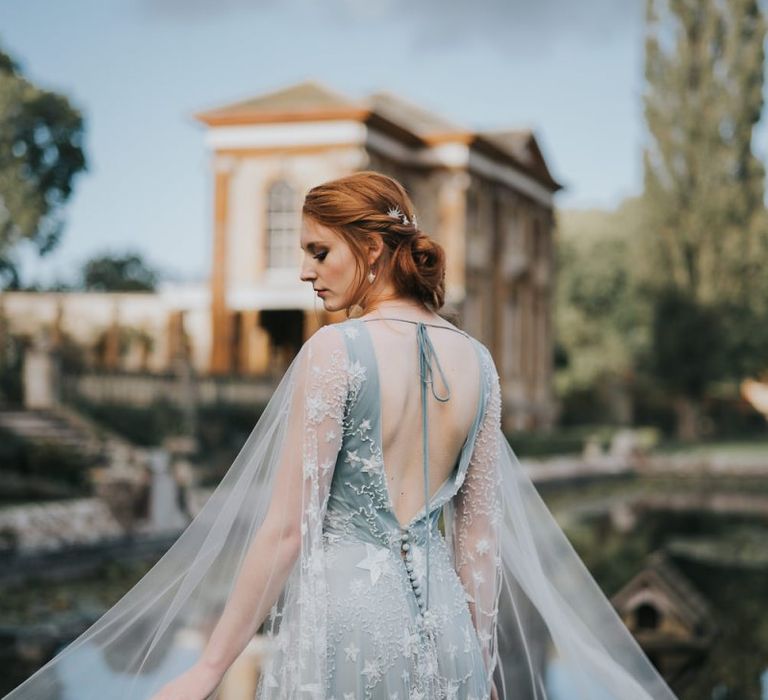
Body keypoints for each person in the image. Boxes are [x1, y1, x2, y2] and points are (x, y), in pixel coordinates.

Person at [1, 171, 678, 700]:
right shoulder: (480, 362)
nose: (305, 270)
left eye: (319, 251)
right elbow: (476, 539)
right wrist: (480, 659)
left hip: (349, 625)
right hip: (448, 629)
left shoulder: (337, 352)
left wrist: (210, 664)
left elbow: (286, 531)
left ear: (374, 250)